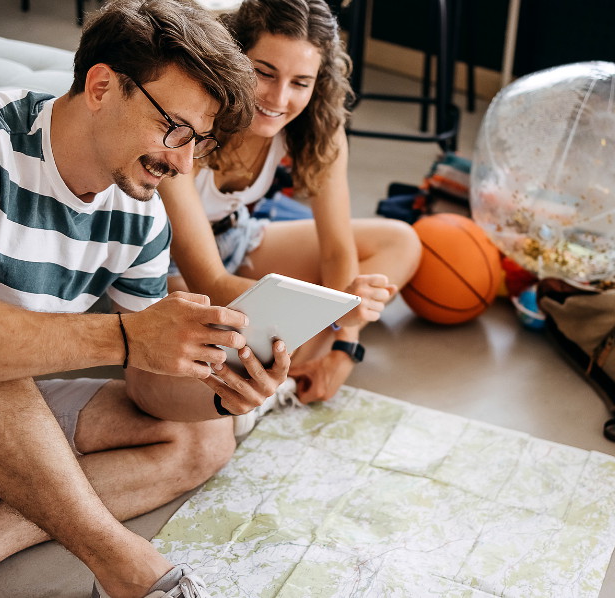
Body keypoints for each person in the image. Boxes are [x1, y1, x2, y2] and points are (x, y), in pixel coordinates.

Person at [0, 1, 284, 597]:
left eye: (197, 142)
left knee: (201, 435)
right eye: (174, 128)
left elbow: (149, 388)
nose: (181, 163)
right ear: (101, 86)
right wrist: (126, 337)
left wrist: (218, 386)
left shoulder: (140, 215)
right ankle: (126, 568)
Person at [157, 0, 422, 407]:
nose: (279, 98)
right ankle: (286, 366)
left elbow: (337, 251)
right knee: (210, 338)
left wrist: (344, 347)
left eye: (300, 82)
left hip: (237, 235)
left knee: (401, 242)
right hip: (171, 265)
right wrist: (335, 314)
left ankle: (296, 363)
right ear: (233, 55)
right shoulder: (191, 119)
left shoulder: (317, 127)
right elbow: (209, 282)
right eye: (264, 73)